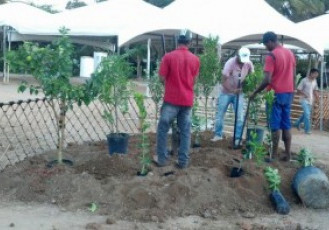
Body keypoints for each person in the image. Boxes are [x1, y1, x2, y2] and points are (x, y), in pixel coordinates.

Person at [154, 29, 200, 169]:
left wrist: (171, 84)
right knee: (185, 131)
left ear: (177, 40)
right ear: (190, 42)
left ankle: (162, 159)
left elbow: (161, 77)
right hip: (187, 100)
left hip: (171, 100)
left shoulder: (168, 57)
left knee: (163, 127)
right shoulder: (195, 59)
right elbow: (195, 80)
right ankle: (183, 161)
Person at [250, 31, 296, 161]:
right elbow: (293, 76)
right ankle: (288, 154)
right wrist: (292, 92)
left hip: (275, 94)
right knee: (286, 125)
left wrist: (254, 92)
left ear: (270, 41)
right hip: (288, 93)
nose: (265, 47)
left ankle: (274, 155)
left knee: (275, 126)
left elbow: (267, 80)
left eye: (265, 44)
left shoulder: (272, 55)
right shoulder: (290, 53)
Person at [211, 47, 254, 146]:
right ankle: (218, 135)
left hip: (239, 93)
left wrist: (245, 89)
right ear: (237, 55)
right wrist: (232, 90)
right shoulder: (230, 63)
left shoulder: (248, 64)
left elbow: (251, 78)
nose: (243, 62)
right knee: (220, 114)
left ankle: (237, 139)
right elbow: (223, 79)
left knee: (239, 117)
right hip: (226, 92)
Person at [293, 68, 319, 134]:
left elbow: (315, 90)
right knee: (307, 114)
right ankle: (307, 130)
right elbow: (298, 89)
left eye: (317, 74)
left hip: (310, 100)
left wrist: (317, 98)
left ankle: (296, 123)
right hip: (303, 99)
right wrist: (305, 94)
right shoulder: (304, 80)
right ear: (311, 73)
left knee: (305, 114)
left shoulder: (315, 81)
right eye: (315, 73)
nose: (316, 75)